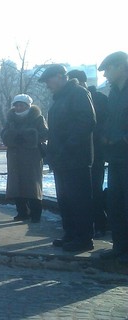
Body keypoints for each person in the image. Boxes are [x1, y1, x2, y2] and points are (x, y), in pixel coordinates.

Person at [38, 64, 96, 252]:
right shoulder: (60, 98)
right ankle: (71, 233)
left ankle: (84, 238)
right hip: (62, 159)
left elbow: (86, 121)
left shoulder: (78, 93)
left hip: (76, 158)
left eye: (49, 80)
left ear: (61, 76)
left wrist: (67, 146)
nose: (47, 85)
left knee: (79, 199)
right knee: (65, 199)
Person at [68, 69, 109, 238]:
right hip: (79, 152)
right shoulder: (71, 99)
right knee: (81, 191)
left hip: (96, 151)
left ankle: (100, 224)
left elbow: (104, 123)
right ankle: (86, 224)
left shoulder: (99, 98)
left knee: (94, 189)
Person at [97, 51, 128, 264]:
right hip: (116, 158)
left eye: (108, 69)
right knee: (116, 203)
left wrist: (120, 139)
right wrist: (105, 135)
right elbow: (111, 119)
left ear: (120, 67)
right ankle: (119, 247)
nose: (105, 74)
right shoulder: (115, 92)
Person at [0, 94, 48, 223]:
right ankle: (22, 212)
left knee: (33, 184)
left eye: (21, 105)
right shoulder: (10, 119)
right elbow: (3, 134)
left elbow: (44, 134)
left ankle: (36, 213)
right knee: (16, 184)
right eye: (16, 105)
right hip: (14, 156)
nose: (18, 107)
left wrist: (29, 136)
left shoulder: (37, 118)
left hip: (32, 157)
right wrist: (11, 136)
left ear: (28, 106)